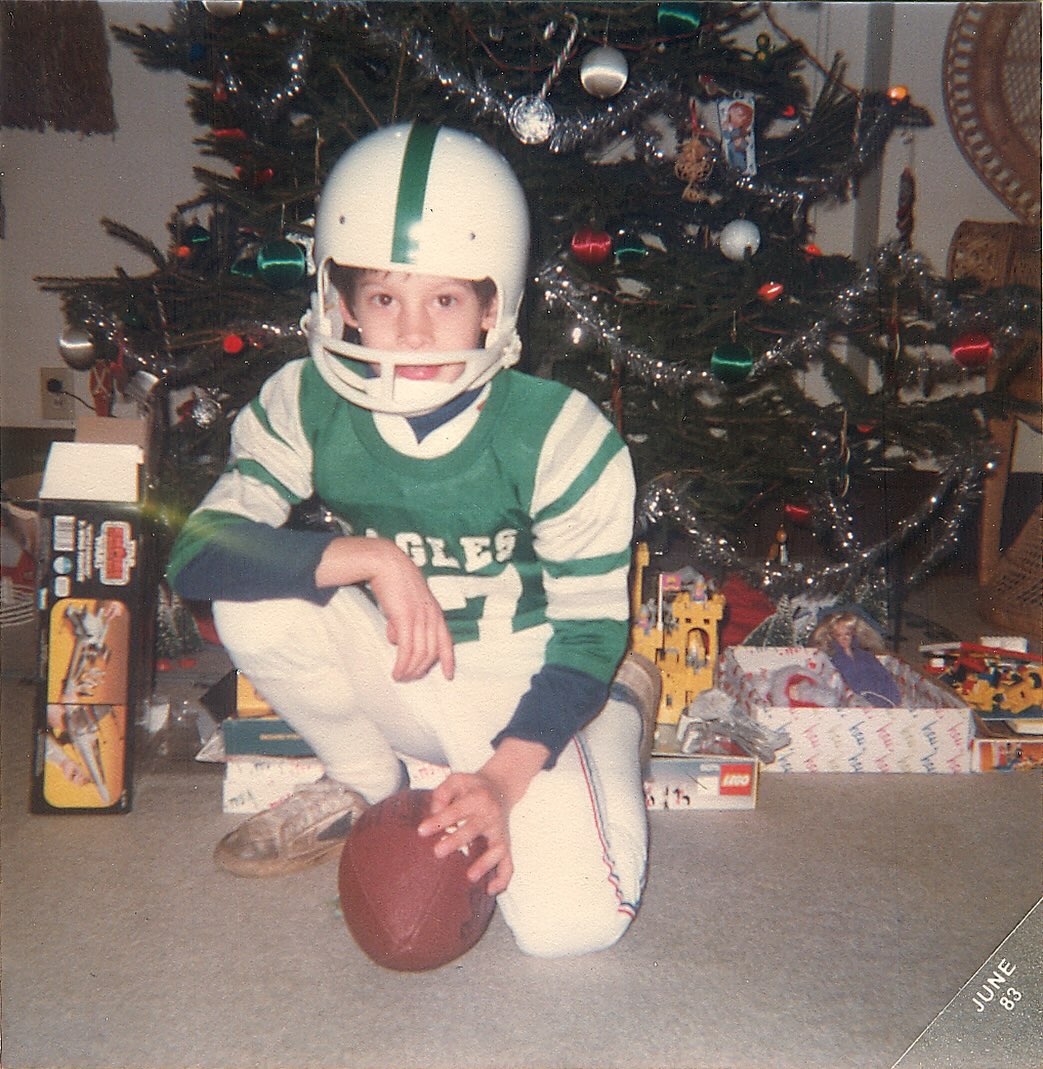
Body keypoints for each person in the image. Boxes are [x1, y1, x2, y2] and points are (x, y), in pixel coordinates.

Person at [167, 123, 657, 959]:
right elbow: (198, 553)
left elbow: (583, 636)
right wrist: (371, 558)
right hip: (401, 663)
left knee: (569, 926)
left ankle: (616, 712)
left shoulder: (558, 432)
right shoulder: (306, 399)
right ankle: (364, 777)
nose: (415, 333)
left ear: (493, 305)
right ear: (341, 301)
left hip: (526, 682)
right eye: (386, 299)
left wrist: (502, 778)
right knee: (256, 605)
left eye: (445, 299)